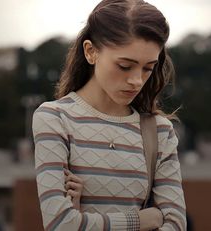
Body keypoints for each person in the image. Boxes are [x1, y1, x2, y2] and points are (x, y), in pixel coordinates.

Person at [32, 0, 187, 230]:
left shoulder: (159, 131)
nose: (137, 80)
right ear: (91, 52)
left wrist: (85, 221)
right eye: (125, 66)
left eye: (148, 68)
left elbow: (175, 224)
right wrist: (140, 220)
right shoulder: (55, 119)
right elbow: (61, 224)